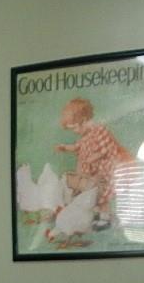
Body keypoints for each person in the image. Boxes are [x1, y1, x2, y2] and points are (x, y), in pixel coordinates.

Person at [54, 97, 134, 230]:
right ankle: (99, 215)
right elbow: (77, 147)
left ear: (84, 120)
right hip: (94, 173)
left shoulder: (100, 131)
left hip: (105, 172)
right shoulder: (86, 136)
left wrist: (93, 158)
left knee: (101, 196)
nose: (75, 132)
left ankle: (105, 219)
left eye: (74, 128)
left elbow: (107, 149)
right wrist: (65, 147)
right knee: (93, 195)